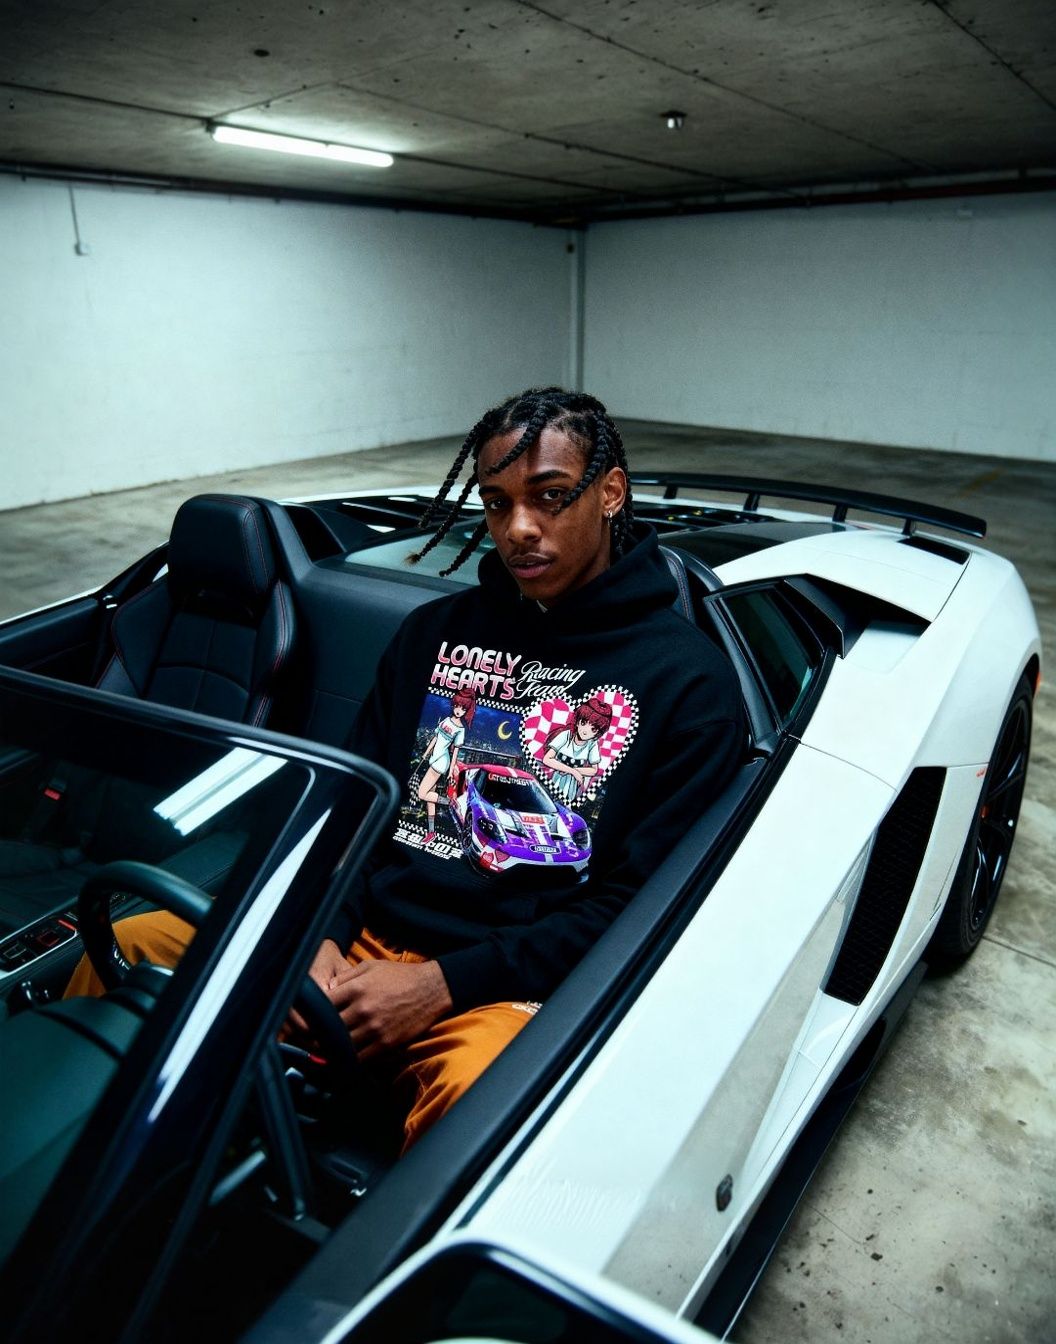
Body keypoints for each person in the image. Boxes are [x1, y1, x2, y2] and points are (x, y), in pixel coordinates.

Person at [65, 387, 745, 1152]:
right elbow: (350, 804)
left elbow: (635, 908)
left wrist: (443, 985)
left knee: (485, 1110)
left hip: (502, 985)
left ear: (611, 492)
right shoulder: (434, 634)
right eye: (496, 504)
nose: (519, 529)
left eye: (551, 497)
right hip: (358, 940)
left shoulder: (688, 685)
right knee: (130, 942)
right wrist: (321, 931)